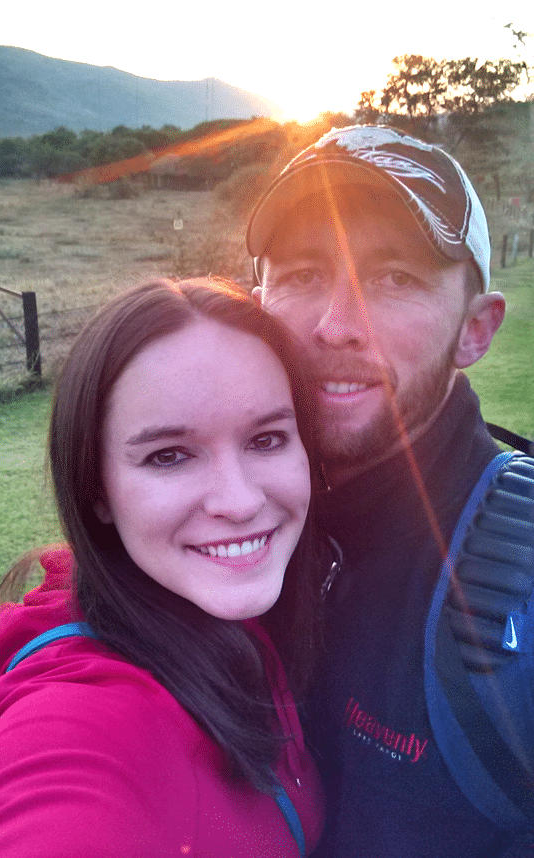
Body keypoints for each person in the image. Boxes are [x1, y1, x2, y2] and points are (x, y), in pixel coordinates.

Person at [0, 278, 327, 857]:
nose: (239, 501)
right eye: (169, 455)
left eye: (267, 439)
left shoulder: (221, 613)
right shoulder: (78, 723)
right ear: (96, 488)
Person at [246, 125, 533, 857]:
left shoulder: (517, 577)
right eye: (303, 274)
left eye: (393, 278)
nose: (334, 326)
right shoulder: (218, 526)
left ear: (475, 330)